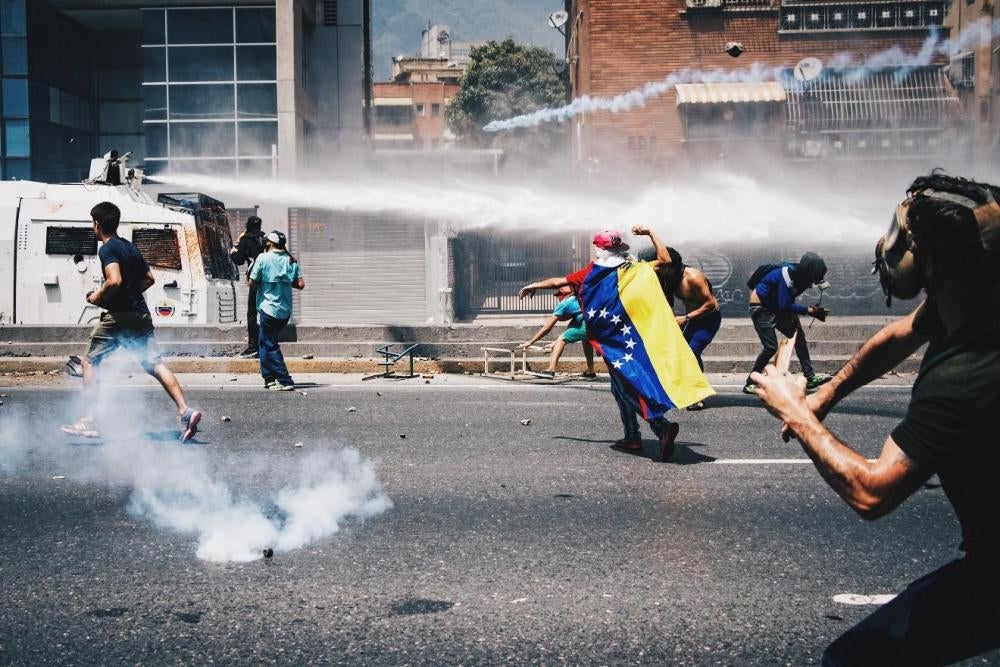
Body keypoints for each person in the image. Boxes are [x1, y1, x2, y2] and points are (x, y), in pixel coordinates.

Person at [752, 172, 1000, 665]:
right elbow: (900, 335)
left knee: (854, 659)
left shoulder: (962, 375)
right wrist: (827, 395)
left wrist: (798, 411)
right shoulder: (975, 299)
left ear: (926, 262)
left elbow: (873, 490)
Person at [519, 227, 713, 461]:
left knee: (624, 388)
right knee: (620, 387)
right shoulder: (634, 268)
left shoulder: (592, 272)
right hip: (628, 340)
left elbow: (558, 281)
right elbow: (665, 259)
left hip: (613, 341)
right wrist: (651, 234)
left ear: (599, 249)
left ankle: (659, 426)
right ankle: (632, 436)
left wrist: (534, 285)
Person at [61, 202, 202, 442]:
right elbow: (148, 279)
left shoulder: (107, 249)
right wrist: (130, 293)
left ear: (97, 223)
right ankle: (184, 411)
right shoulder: (129, 247)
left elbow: (114, 280)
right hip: (140, 314)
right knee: (154, 365)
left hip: (119, 317)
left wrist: (99, 296)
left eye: (92, 223)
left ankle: (89, 419)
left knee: (89, 362)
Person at [638, 245, 721, 410]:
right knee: (683, 354)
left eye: (660, 265)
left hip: (707, 319)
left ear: (669, 265)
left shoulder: (693, 277)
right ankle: (690, 388)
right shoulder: (669, 278)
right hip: (689, 320)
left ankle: (698, 395)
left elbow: (711, 305)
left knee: (691, 353)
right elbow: (667, 301)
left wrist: (686, 317)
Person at [743, 252, 832, 395]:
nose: (813, 284)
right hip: (761, 308)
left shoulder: (800, 277)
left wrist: (799, 314)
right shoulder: (786, 274)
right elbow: (784, 305)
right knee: (770, 347)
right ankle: (750, 383)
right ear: (808, 272)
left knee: (798, 335)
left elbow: (785, 301)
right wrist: (810, 310)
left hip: (774, 306)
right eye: (814, 278)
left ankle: (810, 377)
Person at [249, 230, 305, 390]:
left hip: (268, 309)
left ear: (270, 243)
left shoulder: (263, 258)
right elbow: (300, 284)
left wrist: (261, 282)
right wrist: (284, 282)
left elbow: (252, 283)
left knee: (269, 343)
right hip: (285, 311)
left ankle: (284, 379)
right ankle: (269, 378)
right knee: (264, 342)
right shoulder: (290, 260)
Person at [517, 285, 597, 379]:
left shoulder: (565, 304)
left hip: (588, 326)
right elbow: (573, 326)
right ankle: (590, 371)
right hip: (595, 324)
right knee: (586, 339)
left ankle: (551, 370)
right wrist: (554, 343)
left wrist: (530, 342)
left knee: (562, 339)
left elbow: (547, 327)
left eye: (559, 295)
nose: (559, 297)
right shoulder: (580, 298)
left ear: (564, 293)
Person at [230, 215, 267, 359]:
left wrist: (234, 247)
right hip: (268, 280)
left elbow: (238, 260)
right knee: (265, 310)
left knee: (252, 313)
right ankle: (267, 343)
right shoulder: (265, 240)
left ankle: (253, 346)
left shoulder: (246, 240)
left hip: (255, 280)